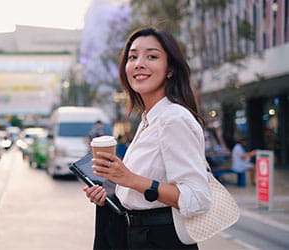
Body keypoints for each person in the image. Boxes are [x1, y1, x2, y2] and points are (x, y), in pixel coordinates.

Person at [82, 27, 211, 249]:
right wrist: (111, 193)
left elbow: (197, 198)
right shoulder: (149, 119)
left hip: (159, 239)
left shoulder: (173, 119)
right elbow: (140, 190)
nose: (139, 63)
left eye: (151, 56)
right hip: (135, 234)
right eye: (133, 56)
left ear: (170, 69)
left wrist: (129, 178)